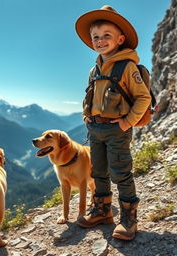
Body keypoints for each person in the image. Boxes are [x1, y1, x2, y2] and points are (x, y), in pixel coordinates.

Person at [75, 5, 151, 240]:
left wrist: (127, 122)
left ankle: (129, 219)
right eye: (96, 37)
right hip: (95, 128)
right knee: (98, 171)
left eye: (106, 35)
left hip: (117, 130)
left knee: (121, 173)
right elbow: (89, 94)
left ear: (120, 39)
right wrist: (86, 115)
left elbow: (143, 97)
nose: (100, 40)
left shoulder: (127, 67)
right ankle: (102, 211)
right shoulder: (94, 69)